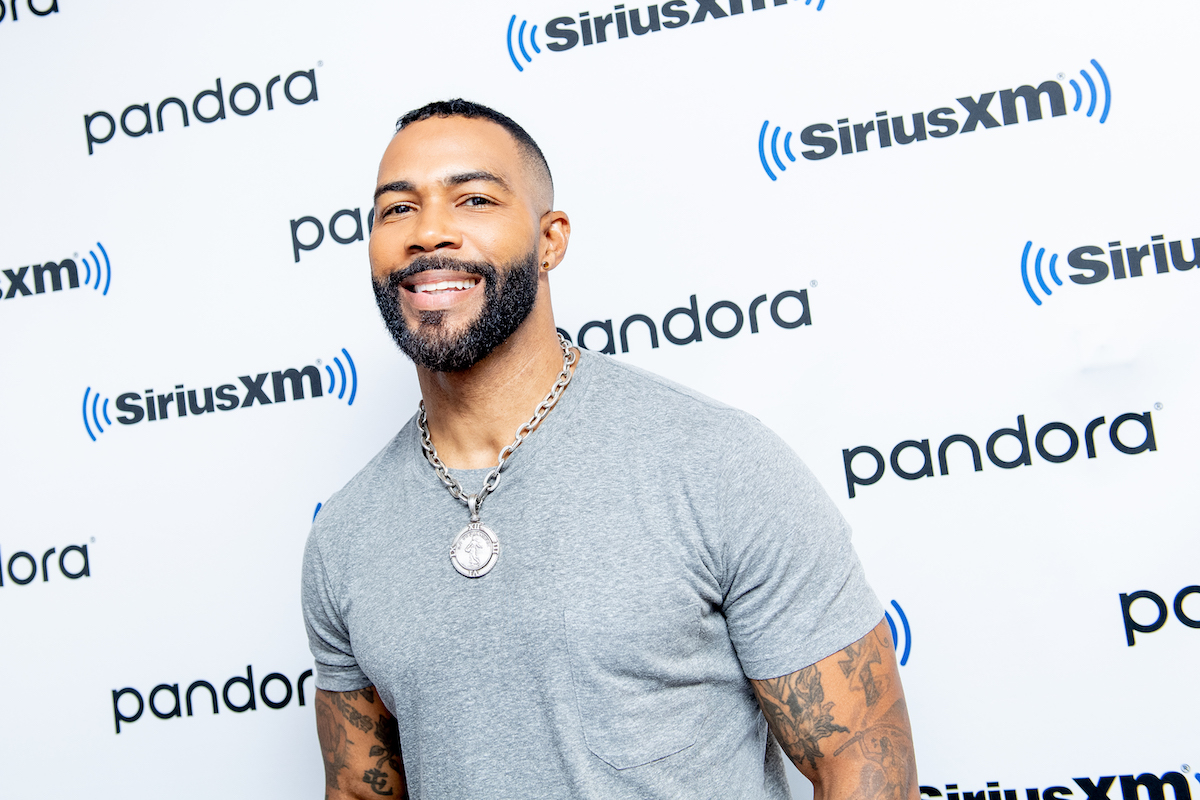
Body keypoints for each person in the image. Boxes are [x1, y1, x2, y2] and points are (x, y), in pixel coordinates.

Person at [302, 99, 918, 800]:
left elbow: (862, 756)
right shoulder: (344, 537)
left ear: (551, 240)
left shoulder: (712, 463)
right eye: (397, 209)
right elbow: (358, 790)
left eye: (473, 198)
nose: (429, 231)